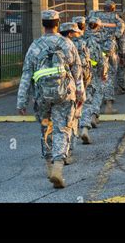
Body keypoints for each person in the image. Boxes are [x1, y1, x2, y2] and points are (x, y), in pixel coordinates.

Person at [16, 10, 85, 189]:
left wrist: (21, 101)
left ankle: (48, 166)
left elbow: (26, 75)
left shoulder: (35, 46)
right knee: (62, 129)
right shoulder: (67, 43)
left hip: (42, 96)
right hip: (65, 94)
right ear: (57, 23)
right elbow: (77, 71)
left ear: (43, 24)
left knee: (46, 128)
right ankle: (57, 167)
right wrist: (80, 93)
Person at [89, 0, 125, 115]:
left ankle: (93, 106)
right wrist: (122, 52)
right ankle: (108, 105)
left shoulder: (94, 15)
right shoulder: (117, 19)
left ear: (103, 7)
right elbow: (120, 35)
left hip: (92, 50)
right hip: (108, 50)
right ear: (113, 8)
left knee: (93, 76)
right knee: (109, 75)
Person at [60, 21, 91, 152]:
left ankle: (57, 151)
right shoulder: (77, 44)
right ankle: (69, 148)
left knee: (57, 119)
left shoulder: (55, 44)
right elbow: (79, 69)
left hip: (56, 86)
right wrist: (81, 88)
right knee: (73, 114)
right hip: (74, 84)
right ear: (71, 33)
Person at [78, 17, 108, 145]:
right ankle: (87, 124)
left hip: (71, 78)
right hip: (90, 73)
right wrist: (104, 72)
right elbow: (101, 59)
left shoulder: (67, 42)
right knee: (89, 100)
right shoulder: (95, 40)